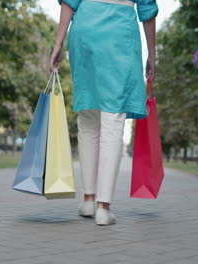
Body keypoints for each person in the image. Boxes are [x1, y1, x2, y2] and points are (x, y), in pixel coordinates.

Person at [50, 0, 158, 226]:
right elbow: (147, 11)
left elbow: (70, 2)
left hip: (85, 29)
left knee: (88, 118)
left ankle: (88, 200)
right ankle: (103, 207)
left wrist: (58, 43)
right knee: (112, 121)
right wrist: (152, 54)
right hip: (120, 34)